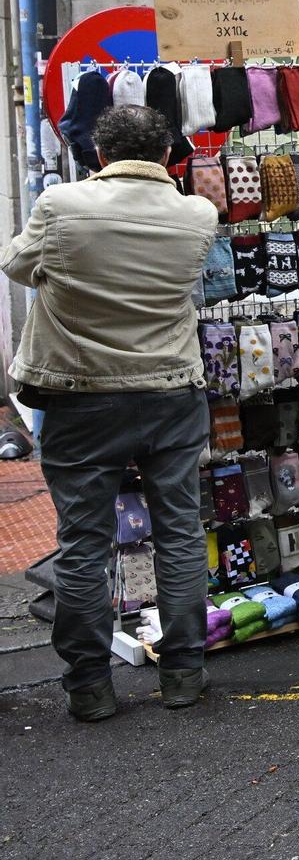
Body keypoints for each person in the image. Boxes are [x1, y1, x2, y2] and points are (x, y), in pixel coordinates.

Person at [0, 107, 217, 720]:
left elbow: (17, 265)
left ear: (98, 154)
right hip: (171, 390)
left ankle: (90, 684)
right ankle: (183, 672)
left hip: (81, 393)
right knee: (179, 533)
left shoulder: (61, 206)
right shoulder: (197, 213)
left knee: (83, 542)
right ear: (167, 154)